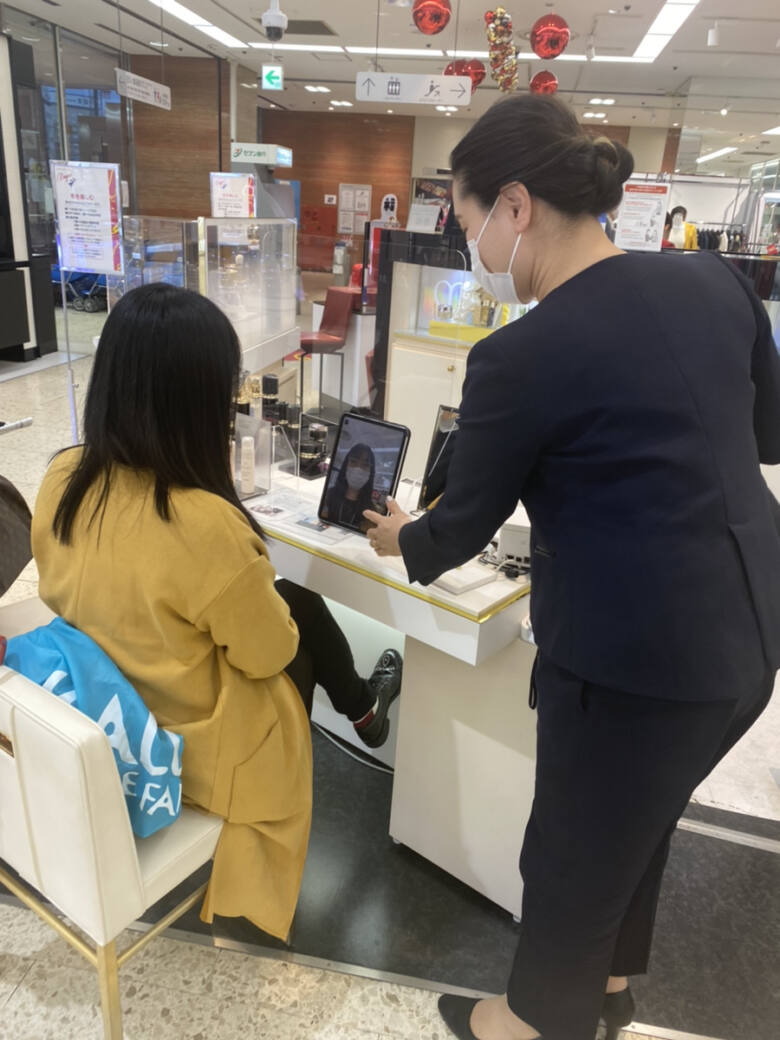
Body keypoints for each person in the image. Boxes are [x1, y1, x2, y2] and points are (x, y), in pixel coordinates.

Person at [365, 94, 780, 1040]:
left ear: (515, 206)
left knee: (571, 849)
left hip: (635, 660)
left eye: (466, 221)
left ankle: (533, 1022)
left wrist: (401, 539)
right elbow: (766, 434)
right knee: (640, 821)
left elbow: (459, 527)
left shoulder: (520, 354)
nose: (469, 249)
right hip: (753, 637)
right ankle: (609, 988)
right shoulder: (713, 281)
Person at [30, 283, 402, 942]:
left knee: (300, 604)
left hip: (103, 697)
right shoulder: (204, 525)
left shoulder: (64, 477)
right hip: (184, 746)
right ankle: (360, 716)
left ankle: (364, 709)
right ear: (197, 402)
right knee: (296, 638)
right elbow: (268, 654)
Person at [320, 442, 377, 534]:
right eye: (353, 462)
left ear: (370, 473)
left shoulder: (372, 512)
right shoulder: (328, 495)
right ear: (345, 466)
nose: (358, 469)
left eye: (365, 465)